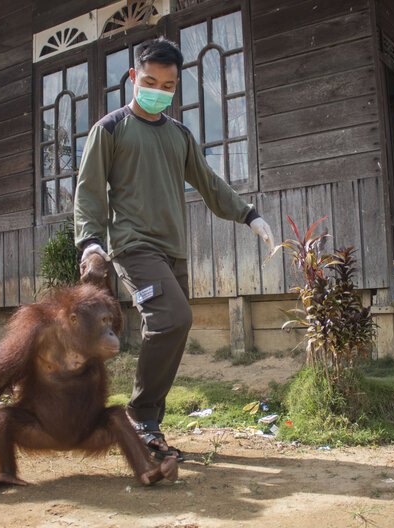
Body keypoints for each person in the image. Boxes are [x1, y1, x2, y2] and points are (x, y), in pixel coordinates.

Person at [73, 38, 275, 460]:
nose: (158, 91)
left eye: (167, 86)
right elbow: (88, 190)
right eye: (149, 82)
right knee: (172, 317)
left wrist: (249, 215)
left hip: (173, 250)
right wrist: (91, 243)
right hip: (132, 246)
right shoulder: (110, 129)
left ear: (175, 86)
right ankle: (141, 418)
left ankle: (145, 421)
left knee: (174, 326)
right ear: (133, 77)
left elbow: (209, 183)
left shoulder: (179, 134)